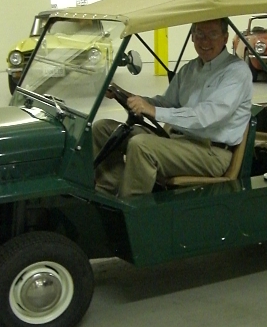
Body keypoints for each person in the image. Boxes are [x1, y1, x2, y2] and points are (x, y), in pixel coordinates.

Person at [92, 18, 253, 198]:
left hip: (212, 152)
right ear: (192, 37)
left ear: (225, 38)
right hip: (178, 140)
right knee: (102, 129)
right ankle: (106, 193)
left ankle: (130, 208)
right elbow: (166, 102)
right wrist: (125, 95)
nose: (205, 41)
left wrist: (154, 111)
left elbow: (206, 116)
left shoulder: (236, 71)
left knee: (141, 146)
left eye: (213, 34)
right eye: (199, 34)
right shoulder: (190, 69)